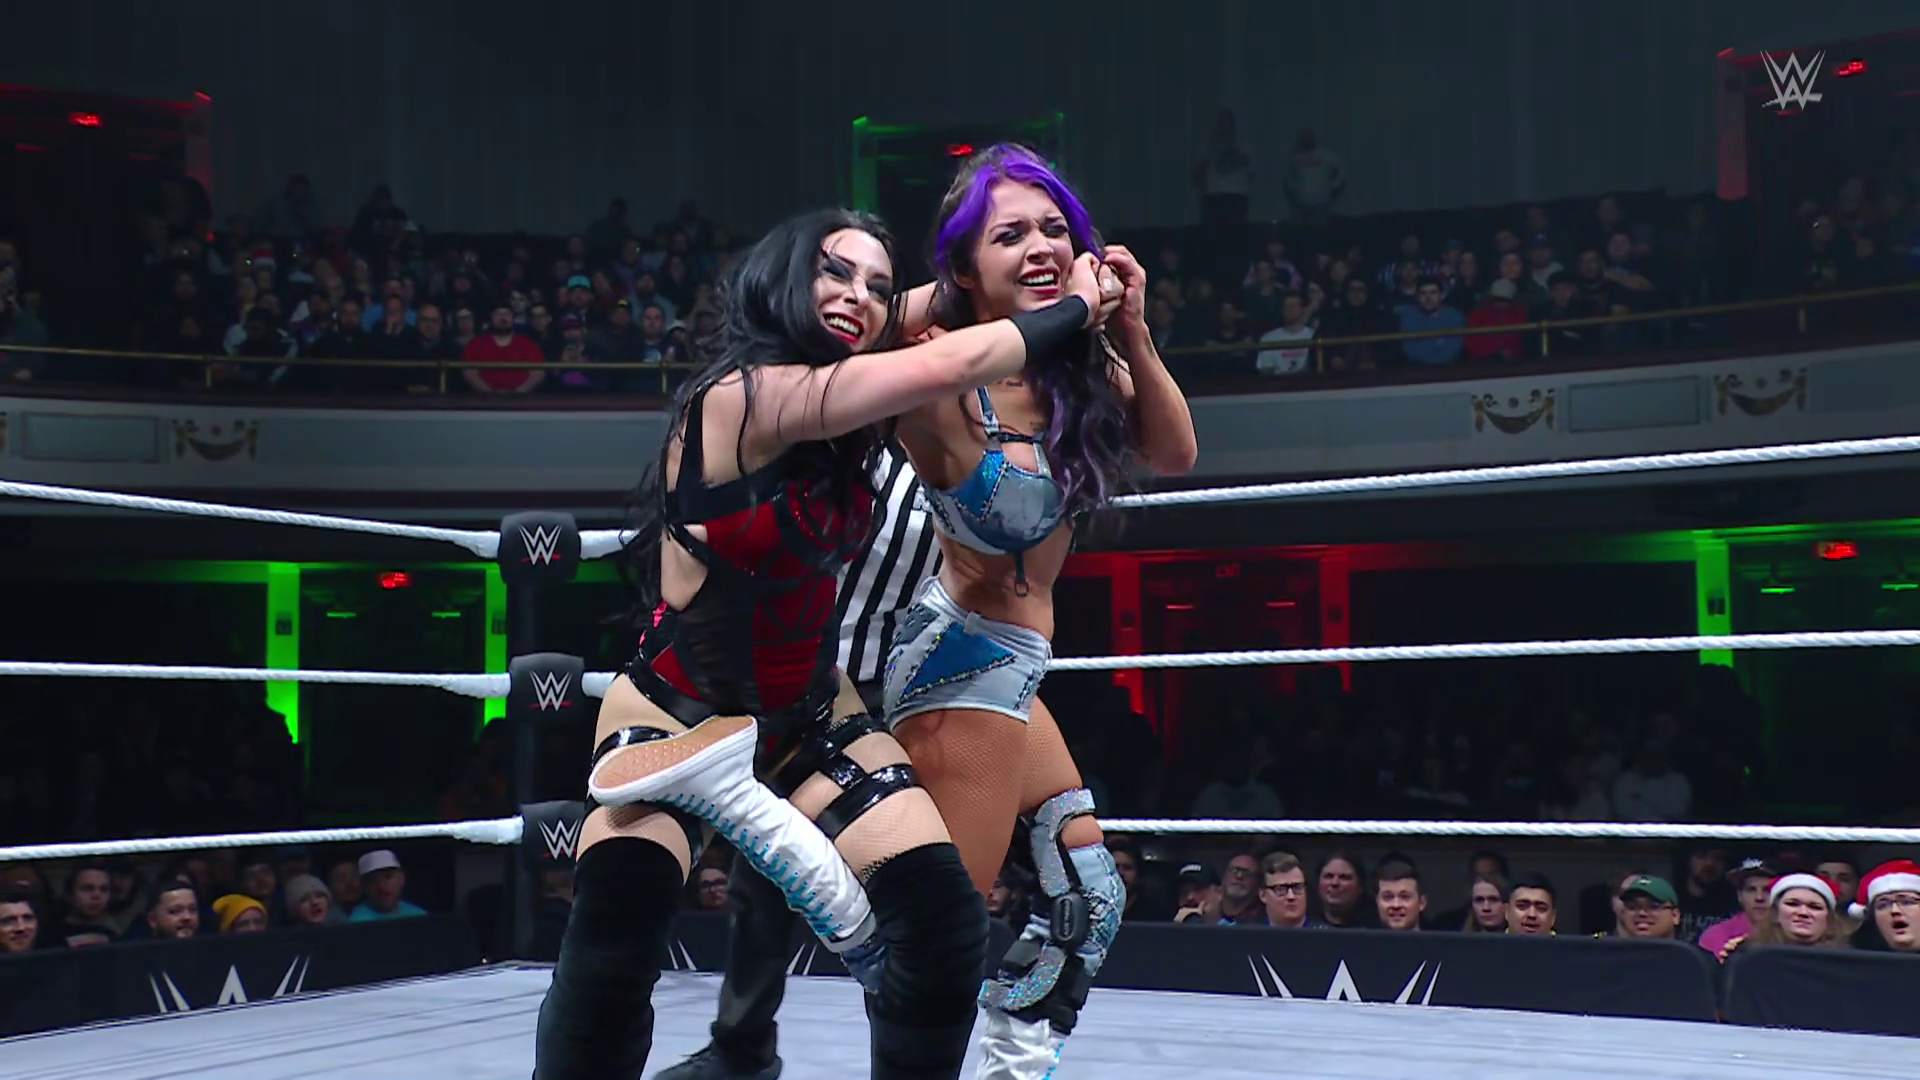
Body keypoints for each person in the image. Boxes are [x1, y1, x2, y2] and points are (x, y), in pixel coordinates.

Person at [534, 207, 1119, 1080]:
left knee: (943, 925)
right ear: (784, 280)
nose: (858, 296)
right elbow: (947, 358)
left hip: (811, 708)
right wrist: (1071, 305)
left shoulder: (854, 400)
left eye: (877, 284)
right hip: (679, 712)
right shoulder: (743, 397)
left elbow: (935, 310)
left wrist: (1035, 265)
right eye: (834, 273)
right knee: (615, 940)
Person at [886, 144, 1197, 1079]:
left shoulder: (1077, 377)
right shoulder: (936, 374)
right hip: (958, 664)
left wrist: (1130, 327)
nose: (1040, 248)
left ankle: (1012, 1063)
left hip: (1015, 666)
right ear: (963, 266)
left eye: (1056, 229)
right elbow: (839, 334)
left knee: (1090, 897)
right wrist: (951, 298)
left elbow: (1176, 453)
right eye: (1010, 234)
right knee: (945, 932)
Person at [656, 432, 944, 1079]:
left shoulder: (947, 463)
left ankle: (895, 1060)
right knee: (762, 872)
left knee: (890, 880)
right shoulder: (831, 446)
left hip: (889, 692)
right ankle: (742, 1048)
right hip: (800, 683)